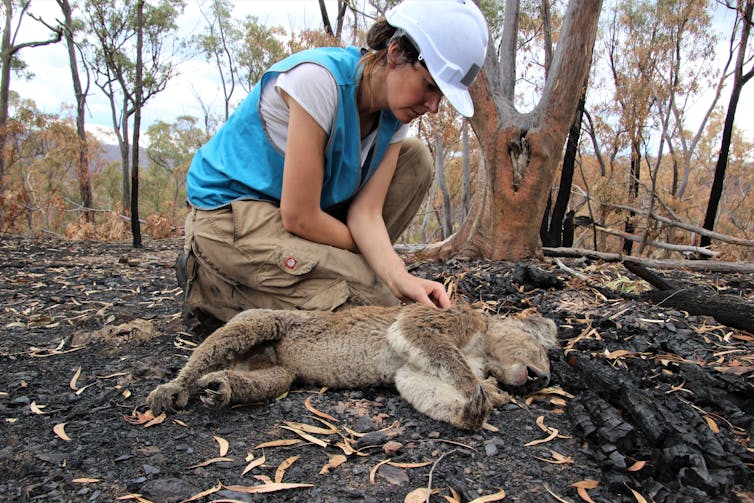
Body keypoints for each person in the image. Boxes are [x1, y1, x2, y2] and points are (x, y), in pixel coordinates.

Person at [177, 0, 489, 325]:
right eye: (429, 86)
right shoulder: (318, 82)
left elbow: (366, 214)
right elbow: (300, 216)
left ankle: (325, 279)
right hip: (232, 213)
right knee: (375, 303)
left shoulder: (395, 118)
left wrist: (398, 275)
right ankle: (208, 285)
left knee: (416, 161)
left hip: (299, 218)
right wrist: (374, 264)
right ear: (396, 53)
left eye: (441, 95)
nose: (434, 106)